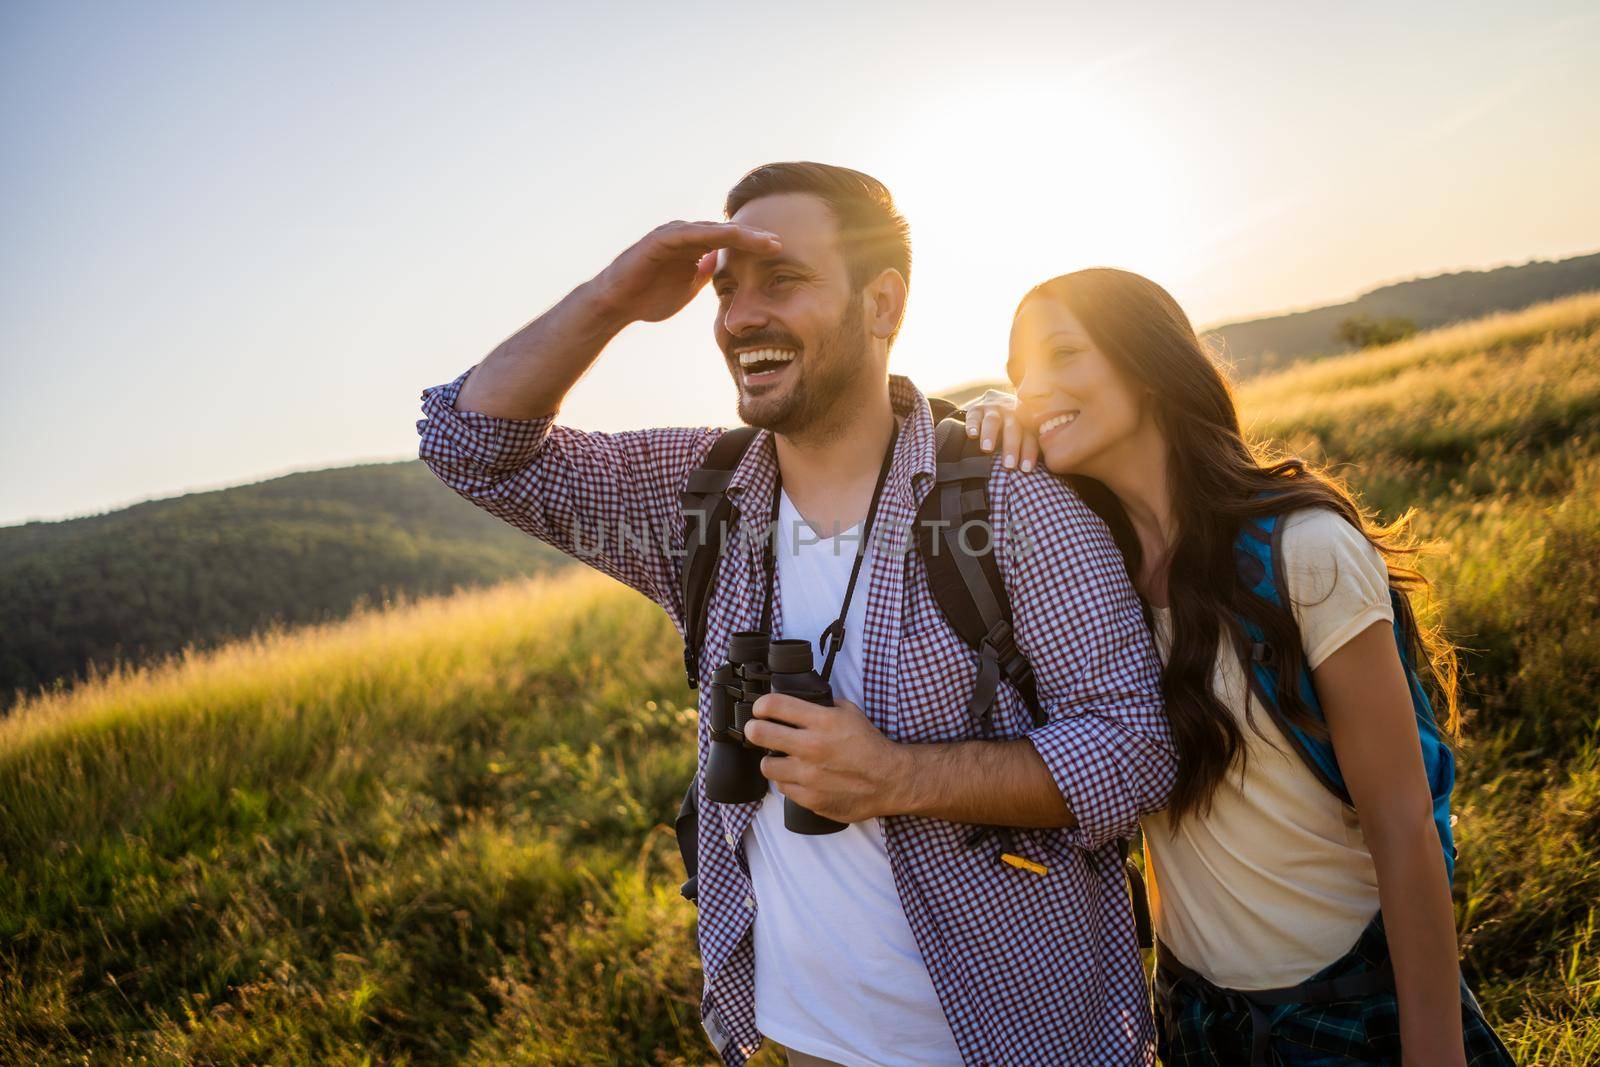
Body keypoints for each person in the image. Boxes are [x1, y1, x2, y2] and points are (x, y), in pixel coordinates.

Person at [415, 164, 1175, 1066]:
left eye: (784, 280)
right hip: (800, 1036)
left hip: (1013, 1035)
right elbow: (468, 447)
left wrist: (895, 777)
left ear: (882, 304)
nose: (739, 318)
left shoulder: (1010, 503)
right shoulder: (697, 497)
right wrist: (614, 295)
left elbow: (1138, 750)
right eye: (726, 290)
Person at [964, 267, 1515, 1066]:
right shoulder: (1090, 580)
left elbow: (1402, 823)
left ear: (1148, 363)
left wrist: (1433, 1049)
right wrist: (984, 419)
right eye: (1019, 374)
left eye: (1061, 355)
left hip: (1350, 1014)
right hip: (1196, 1023)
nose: (1032, 388)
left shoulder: (1303, 552)